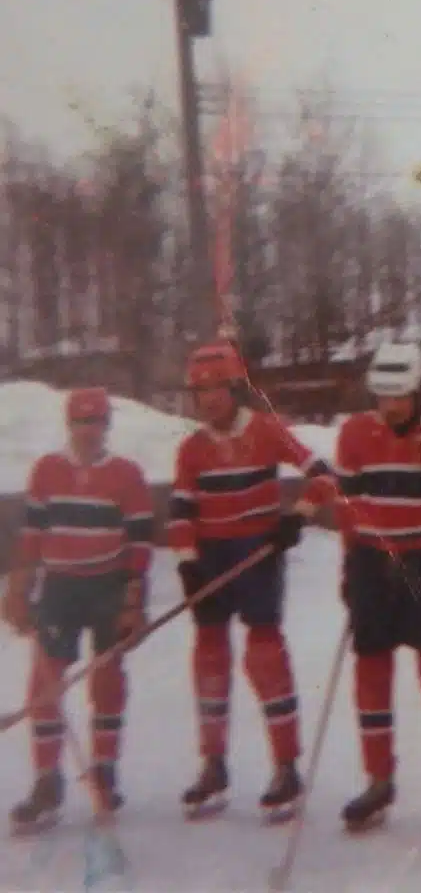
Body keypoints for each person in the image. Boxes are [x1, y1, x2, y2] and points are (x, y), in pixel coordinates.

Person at [165, 340, 335, 824]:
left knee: (264, 654)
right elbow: (181, 511)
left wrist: (296, 516)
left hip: (257, 555)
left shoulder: (265, 430)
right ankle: (213, 764)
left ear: (235, 389)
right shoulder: (192, 449)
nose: (208, 401)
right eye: (199, 393)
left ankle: (286, 766)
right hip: (212, 557)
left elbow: (324, 476)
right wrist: (187, 563)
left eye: (216, 390)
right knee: (210, 656)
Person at [334, 341, 421, 832]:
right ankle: (379, 779)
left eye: (400, 397)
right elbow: (348, 509)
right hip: (372, 563)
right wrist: (349, 568)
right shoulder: (354, 434)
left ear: (420, 393)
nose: (391, 406)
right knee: (371, 672)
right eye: (383, 397)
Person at [1, 387, 155, 835]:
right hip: (61, 587)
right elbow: (32, 535)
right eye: (82, 423)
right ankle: (47, 781)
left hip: (107, 586)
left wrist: (133, 602)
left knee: (107, 679)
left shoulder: (127, 474)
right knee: (45, 681)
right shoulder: (47, 470)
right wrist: (19, 588)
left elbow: (140, 544)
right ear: (70, 425)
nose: (90, 431)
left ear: (107, 426)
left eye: (97, 422)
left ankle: (104, 771)